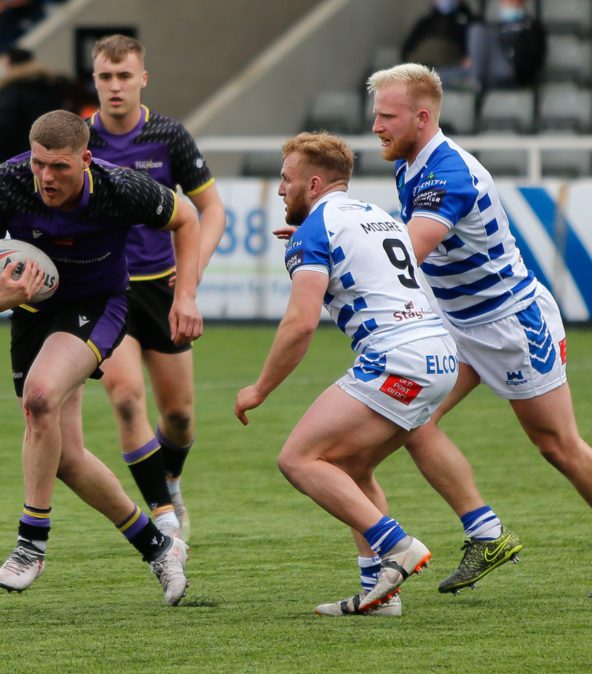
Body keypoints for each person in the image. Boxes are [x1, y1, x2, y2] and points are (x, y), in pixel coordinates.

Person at [367, 62, 592, 594]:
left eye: (386, 116)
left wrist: (328, 246)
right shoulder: (410, 164)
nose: (376, 127)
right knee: (413, 417)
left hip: (510, 326)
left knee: (558, 446)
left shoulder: (447, 174)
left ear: (422, 118)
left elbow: (407, 254)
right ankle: (486, 534)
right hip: (459, 325)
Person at [0, 110, 201, 605]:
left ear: (86, 160)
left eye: (59, 167)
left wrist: (186, 295)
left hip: (99, 305)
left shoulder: (121, 187)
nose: (46, 177)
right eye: (39, 164)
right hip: (32, 313)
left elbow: (188, 218)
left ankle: (31, 543)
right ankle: (158, 548)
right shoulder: (3, 185)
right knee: (66, 458)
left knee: (40, 397)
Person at [235, 132, 456, 616]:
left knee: (297, 459)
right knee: (353, 469)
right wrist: (310, 243)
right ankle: (380, 594)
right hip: (440, 356)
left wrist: (260, 389)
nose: (280, 190)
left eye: (286, 180)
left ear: (313, 184)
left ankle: (396, 545)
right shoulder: (376, 215)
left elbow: (300, 324)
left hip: (397, 359)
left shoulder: (316, 232)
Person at [86, 35, 225, 540]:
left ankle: (170, 480)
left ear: (142, 78)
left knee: (180, 417)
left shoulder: (169, 135)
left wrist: (192, 274)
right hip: (106, 291)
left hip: (163, 292)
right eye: (106, 76)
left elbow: (212, 209)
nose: (115, 86)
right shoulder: (80, 140)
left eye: (125, 76)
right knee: (125, 398)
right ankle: (162, 515)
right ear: (94, 80)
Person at [0, 48, 65, 168]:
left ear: (9, 63)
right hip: (51, 164)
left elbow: (1, 133)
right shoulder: (50, 87)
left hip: (17, 167)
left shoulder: (11, 93)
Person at [401, 0, 475, 71]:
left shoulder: (467, 23)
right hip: (420, 62)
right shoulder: (425, 22)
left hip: (449, 63)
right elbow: (407, 49)